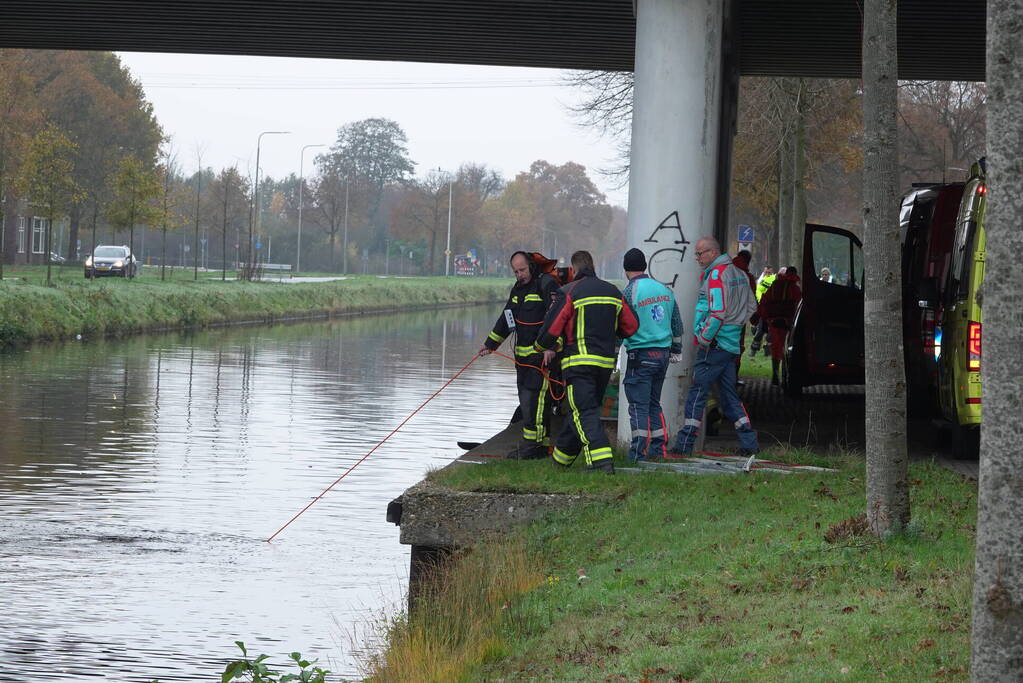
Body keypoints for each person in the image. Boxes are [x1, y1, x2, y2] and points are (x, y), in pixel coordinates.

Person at [534, 250, 638, 474]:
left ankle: (602, 463)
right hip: (603, 365)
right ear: (594, 266)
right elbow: (631, 326)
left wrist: (540, 347)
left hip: (578, 364)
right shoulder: (614, 292)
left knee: (583, 412)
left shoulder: (570, 291)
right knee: (581, 411)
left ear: (573, 270)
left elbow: (551, 330)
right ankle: (559, 462)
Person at [669, 237, 759, 458]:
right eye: (696, 254)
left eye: (700, 253)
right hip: (729, 346)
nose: (697, 258)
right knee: (729, 396)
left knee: (697, 393)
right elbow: (751, 307)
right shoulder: (739, 274)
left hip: (715, 346)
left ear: (713, 252)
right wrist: (735, 326)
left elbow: (717, 312)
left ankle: (683, 445)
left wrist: (704, 338)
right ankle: (749, 442)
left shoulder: (717, 276)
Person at [479, 251, 559, 459]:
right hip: (522, 359)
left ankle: (537, 446)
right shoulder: (517, 290)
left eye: (522, 270)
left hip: (542, 358)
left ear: (531, 267)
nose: (519, 274)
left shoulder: (547, 285)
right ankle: (530, 444)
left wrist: (551, 347)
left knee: (537, 401)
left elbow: (558, 317)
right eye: (516, 271)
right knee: (526, 401)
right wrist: (490, 344)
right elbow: (506, 319)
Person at [620, 247, 683, 462]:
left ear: (625, 269)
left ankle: (638, 454)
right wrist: (676, 350)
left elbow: (621, 324)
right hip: (663, 355)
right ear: (645, 266)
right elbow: (676, 323)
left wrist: (612, 354)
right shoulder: (664, 290)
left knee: (638, 405)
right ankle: (659, 450)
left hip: (641, 355)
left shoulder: (629, 292)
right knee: (654, 404)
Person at [758, 265, 802, 386]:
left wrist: (766, 318)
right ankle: (784, 374)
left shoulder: (774, 285)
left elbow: (764, 301)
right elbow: (799, 305)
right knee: (787, 347)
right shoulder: (795, 289)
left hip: (774, 322)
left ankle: (775, 373)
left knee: (776, 347)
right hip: (789, 322)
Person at [750, 265, 777, 356]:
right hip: (762, 310)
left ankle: (768, 350)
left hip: (771, 311)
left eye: (769, 272)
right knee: (760, 331)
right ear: (764, 272)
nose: (768, 274)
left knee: (770, 332)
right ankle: (753, 349)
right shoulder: (760, 280)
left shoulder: (774, 280)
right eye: (766, 272)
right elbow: (757, 293)